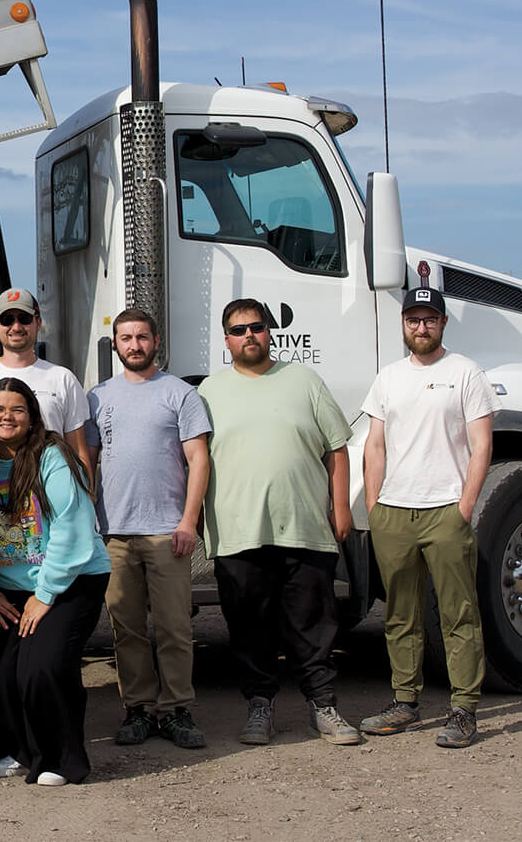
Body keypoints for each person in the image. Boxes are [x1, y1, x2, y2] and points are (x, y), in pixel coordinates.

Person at [198, 298, 361, 746]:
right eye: (238, 329)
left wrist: (341, 507)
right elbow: (194, 461)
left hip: (305, 525)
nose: (248, 335)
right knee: (249, 625)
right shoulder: (210, 391)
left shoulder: (304, 380)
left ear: (270, 331)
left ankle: (323, 705)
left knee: (314, 623)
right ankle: (259, 705)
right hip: (237, 530)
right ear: (226, 339)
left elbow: (337, 449)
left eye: (256, 327)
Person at [358, 287, 500, 748]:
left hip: (445, 510)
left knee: (459, 612)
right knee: (401, 613)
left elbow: (482, 445)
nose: (421, 328)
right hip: (395, 512)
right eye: (413, 320)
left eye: (430, 320)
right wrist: (375, 506)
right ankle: (405, 701)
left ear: (442, 324)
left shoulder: (465, 373)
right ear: (403, 324)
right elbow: (375, 444)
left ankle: (464, 708)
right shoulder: (389, 377)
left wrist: (465, 505)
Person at [0, 378, 110, 786]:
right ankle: (15, 751)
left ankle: (61, 760)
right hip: (6, 588)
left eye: (17, 409)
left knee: (43, 668)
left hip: (72, 577)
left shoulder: (50, 456)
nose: (7, 417)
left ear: (33, 416)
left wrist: (45, 594)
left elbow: (73, 529)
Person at [85, 308, 210, 749]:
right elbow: (88, 462)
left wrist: (188, 521)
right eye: (125, 338)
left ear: (156, 340)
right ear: (115, 344)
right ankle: (138, 709)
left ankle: (176, 710)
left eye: (141, 337)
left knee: (175, 627)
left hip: (166, 531)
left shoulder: (180, 395)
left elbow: (199, 460)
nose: (134, 345)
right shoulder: (97, 398)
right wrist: (91, 523)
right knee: (127, 628)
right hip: (115, 532)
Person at [0, 288, 93, 480]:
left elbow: (78, 451)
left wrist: (87, 498)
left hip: (49, 495)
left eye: (24, 319)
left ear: (38, 322)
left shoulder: (63, 379)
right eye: (7, 320)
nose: (16, 327)